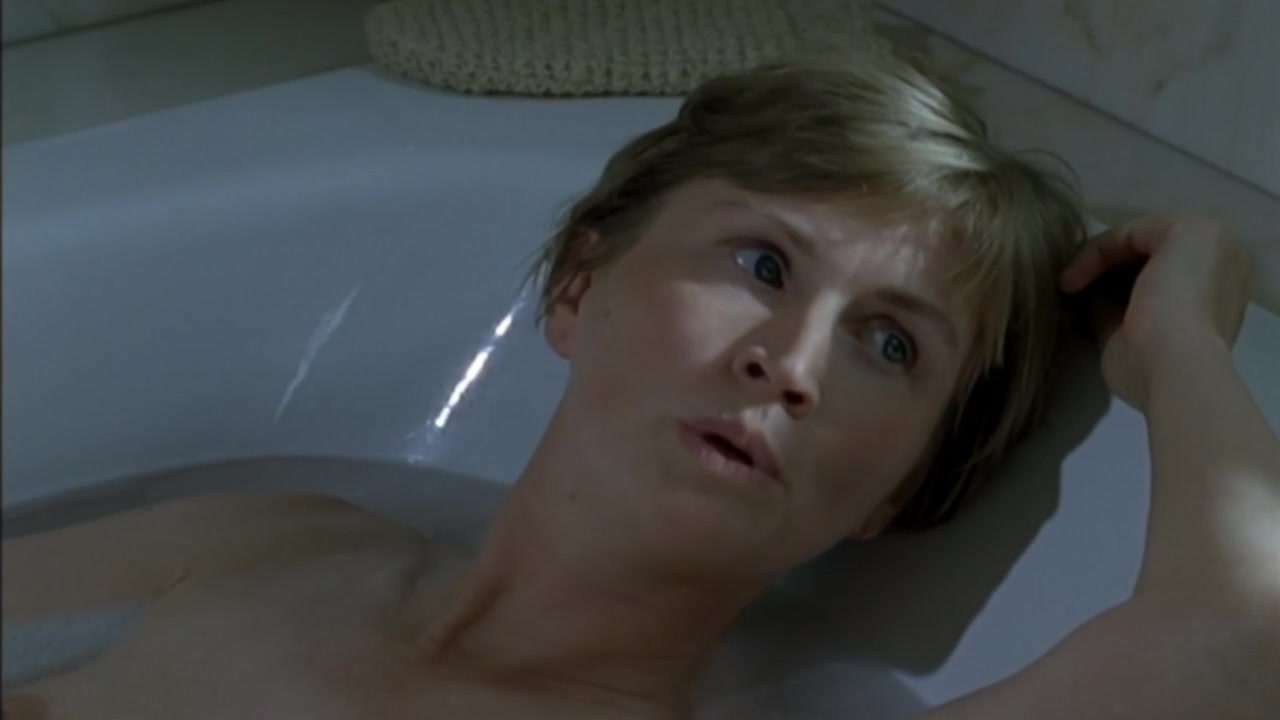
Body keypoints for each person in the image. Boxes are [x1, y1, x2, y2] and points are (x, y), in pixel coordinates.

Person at [4, 51, 1278, 720]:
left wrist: (1181, 351)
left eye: (889, 345)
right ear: (578, 286)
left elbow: (1237, 643)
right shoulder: (265, 540)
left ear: (894, 495)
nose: (790, 363)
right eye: (763, 264)